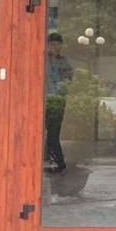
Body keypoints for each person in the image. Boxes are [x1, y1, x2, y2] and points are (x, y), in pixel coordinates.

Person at [44, 32, 72, 173]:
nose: (55, 47)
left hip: (57, 102)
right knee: (39, 133)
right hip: (43, 102)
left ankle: (59, 164)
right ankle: (48, 161)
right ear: (48, 45)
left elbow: (68, 81)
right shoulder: (43, 60)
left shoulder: (64, 62)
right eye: (52, 44)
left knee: (53, 135)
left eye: (58, 45)